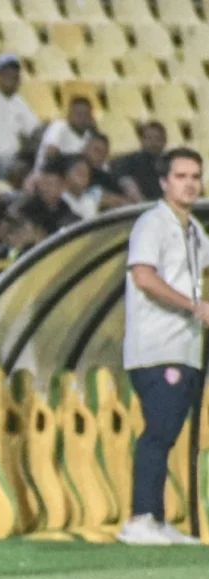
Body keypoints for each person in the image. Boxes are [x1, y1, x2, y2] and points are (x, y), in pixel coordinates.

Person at [118, 147, 208, 546]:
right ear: (164, 182)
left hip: (185, 346)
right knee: (158, 432)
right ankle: (139, 518)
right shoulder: (152, 223)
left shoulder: (195, 230)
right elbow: (143, 276)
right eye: (182, 176)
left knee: (168, 432)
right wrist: (193, 306)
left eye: (195, 176)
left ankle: (155, 517)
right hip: (157, 346)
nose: (190, 183)